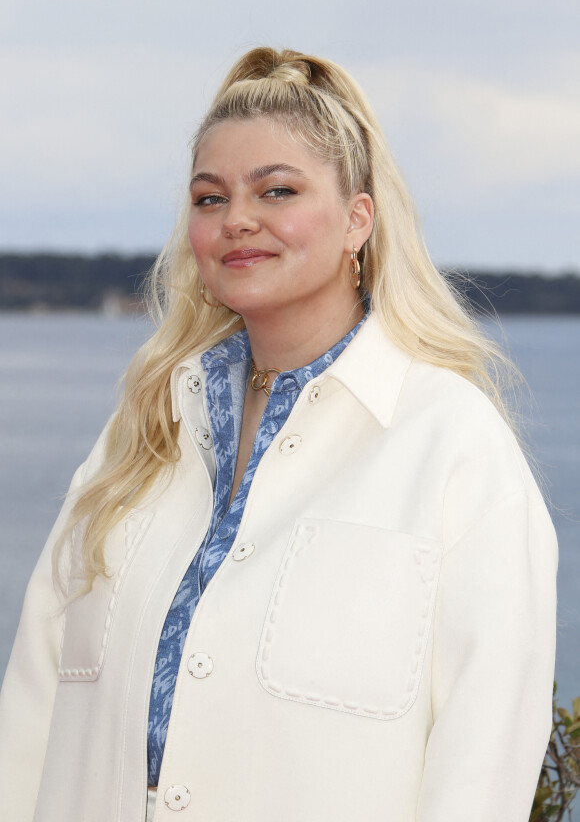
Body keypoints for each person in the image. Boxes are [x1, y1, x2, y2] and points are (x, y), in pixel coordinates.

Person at [0, 47, 557, 822]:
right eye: (209, 198)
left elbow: (483, 762)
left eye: (278, 190)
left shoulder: (454, 446)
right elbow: (30, 712)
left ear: (358, 219)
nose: (237, 221)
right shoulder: (143, 434)